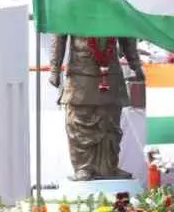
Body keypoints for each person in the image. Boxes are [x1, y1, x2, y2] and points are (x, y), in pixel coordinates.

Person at [48, 33, 143, 181]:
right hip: (80, 69)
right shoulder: (71, 15)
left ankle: (109, 166)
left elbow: (127, 32)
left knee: (110, 121)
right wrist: (55, 68)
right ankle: (83, 167)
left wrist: (135, 64)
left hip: (110, 68)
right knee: (79, 120)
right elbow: (59, 35)